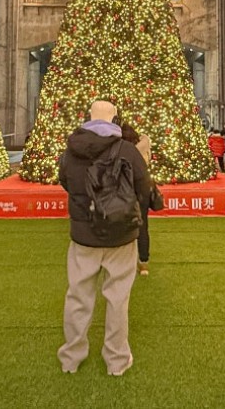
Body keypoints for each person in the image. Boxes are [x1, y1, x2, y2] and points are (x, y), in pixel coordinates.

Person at [57, 100, 151, 376]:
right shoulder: (127, 150)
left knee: (78, 296)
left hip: (83, 234)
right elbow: (143, 186)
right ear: (114, 118)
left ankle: (71, 357)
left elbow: (65, 181)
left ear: (88, 117)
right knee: (118, 298)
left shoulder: (71, 150)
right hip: (120, 234)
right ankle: (117, 360)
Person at [121, 123, 153, 276]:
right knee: (143, 225)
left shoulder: (123, 150)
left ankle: (126, 261)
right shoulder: (144, 147)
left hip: (126, 190)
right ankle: (144, 262)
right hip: (143, 190)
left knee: (123, 225)